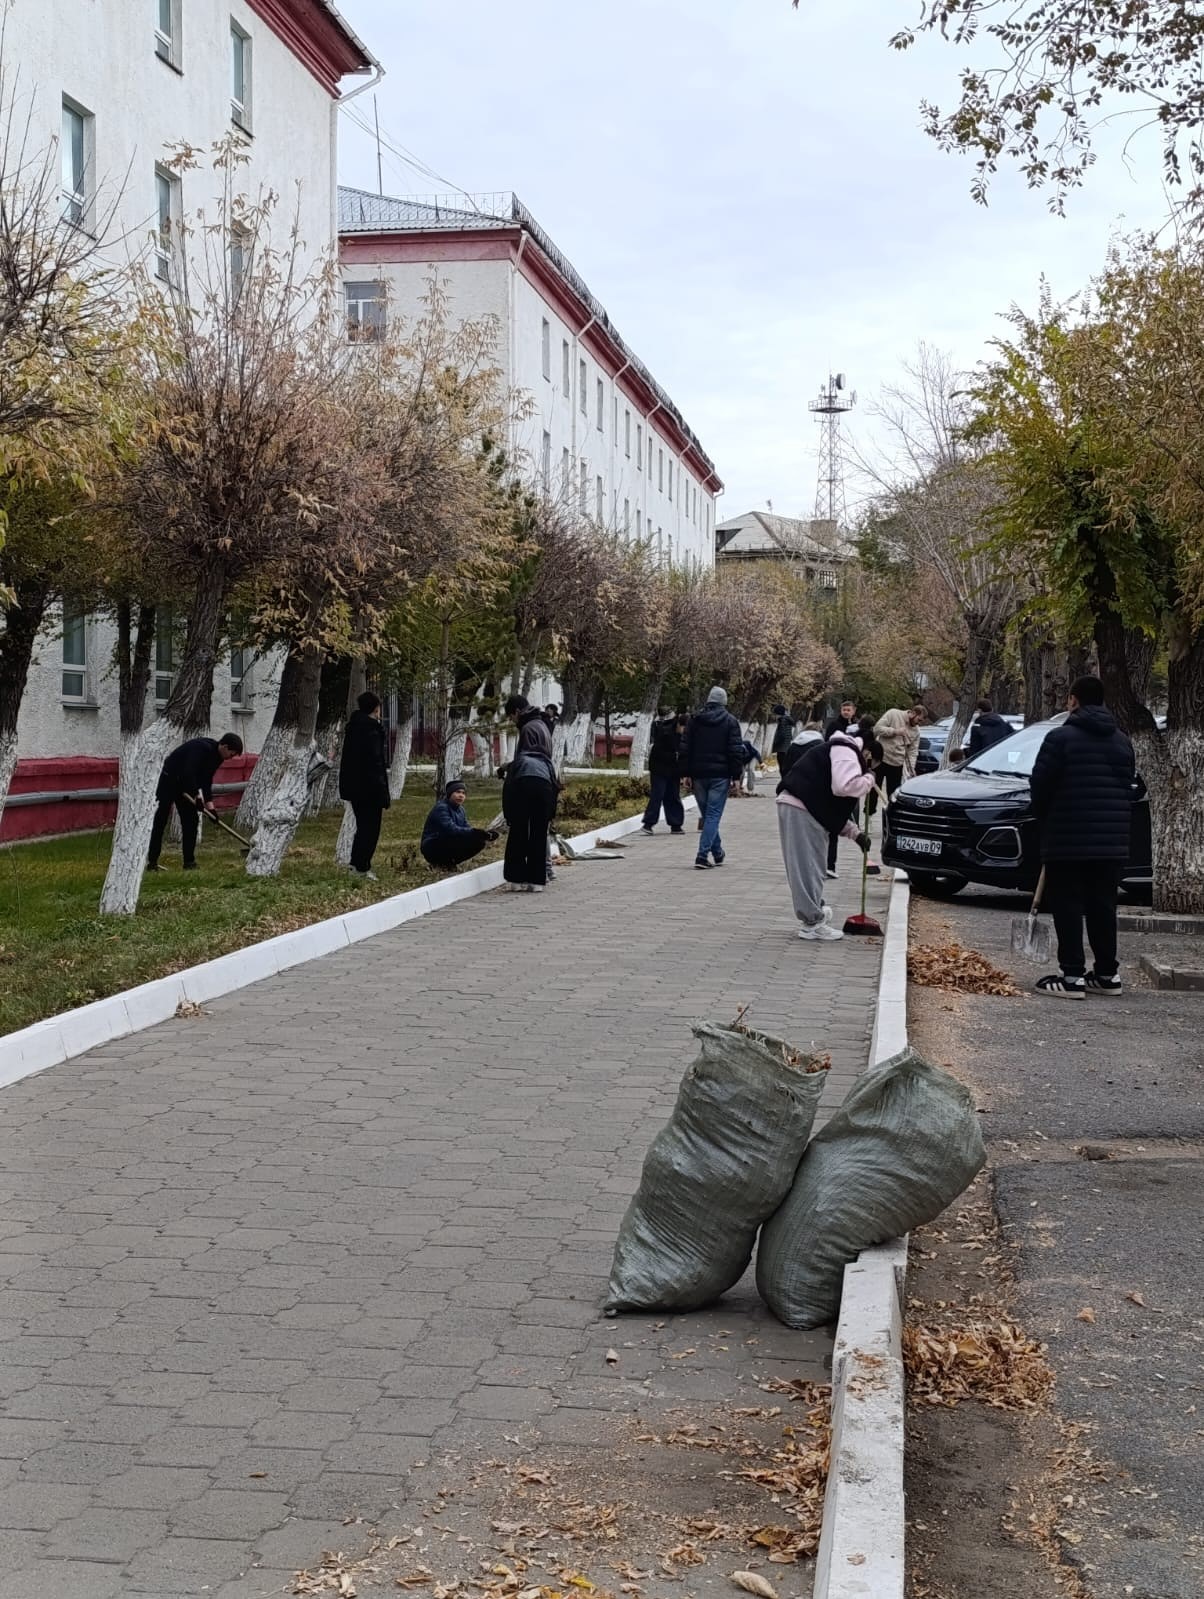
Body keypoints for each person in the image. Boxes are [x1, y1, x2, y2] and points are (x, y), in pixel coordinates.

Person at [1029, 676, 1139, 999]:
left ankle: (1072, 975)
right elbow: (1127, 788)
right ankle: (1106, 974)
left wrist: (1045, 819)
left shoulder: (1059, 738)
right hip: (1112, 842)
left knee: (1068, 904)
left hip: (1068, 837)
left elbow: (1040, 786)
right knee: (1103, 905)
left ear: (1073, 700)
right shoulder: (1123, 742)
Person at [776, 724, 880, 941]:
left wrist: (856, 834)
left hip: (801, 806)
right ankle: (812, 923)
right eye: (870, 763)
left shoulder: (841, 749)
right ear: (868, 753)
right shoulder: (846, 750)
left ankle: (815, 909)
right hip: (802, 808)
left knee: (813, 865)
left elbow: (828, 806)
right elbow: (843, 787)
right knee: (808, 867)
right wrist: (869, 780)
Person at [147, 732, 244, 872]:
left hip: (185, 786)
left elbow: (206, 780)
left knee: (191, 821)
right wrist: (197, 797)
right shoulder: (201, 748)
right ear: (224, 746)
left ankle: (189, 862)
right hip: (169, 780)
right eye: (231, 754)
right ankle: (152, 863)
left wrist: (211, 808)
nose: (231, 758)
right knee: (160, 820)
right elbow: (188, 772)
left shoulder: (218, 757)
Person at [501, 694, 558, 892]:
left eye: (511, 717)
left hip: (525, 780)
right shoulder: (542, 724)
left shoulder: (527, 728)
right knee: (539, 831)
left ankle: (515, 879)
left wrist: (506, 768)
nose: (512, 721)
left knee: (518, 829)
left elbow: (525, 759)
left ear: (517, 712)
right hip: (546, 780)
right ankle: (537, 881)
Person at [683, 686, 744, 869]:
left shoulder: (695, 720)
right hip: (720, 776)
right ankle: (702, 856)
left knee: (708, 815)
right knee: (713, 816)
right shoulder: (730, 721)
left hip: (698, 775)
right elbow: (735, 750)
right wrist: (736, 776)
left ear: (708, 700)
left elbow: (685, 748)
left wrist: (685, 773)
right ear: (724, 702)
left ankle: (717, 853)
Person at [338, 691, 390, 881]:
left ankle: (356, 864)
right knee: (370, 829)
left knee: (363, 827)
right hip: (370, 789)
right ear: (376, 708)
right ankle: (361, 867)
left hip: (355, 788)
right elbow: (375, 763)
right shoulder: (371, 730)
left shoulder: (354, 727)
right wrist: (382, 792)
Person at [421, 779, 498, 870]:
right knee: (459, 837)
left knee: (479, 842)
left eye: (463, 793)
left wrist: (485, 834)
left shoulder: (461, 810)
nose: (461, 795)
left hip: (448, 841)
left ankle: (449, 863)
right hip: (432, 845)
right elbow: (450, 829)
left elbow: (466, 828)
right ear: (450, 794)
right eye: (458, 792)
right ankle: (439, 863)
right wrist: (474, 832)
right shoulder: (441, 808)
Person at [641, 708, 686, 833]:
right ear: (678, 724)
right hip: (659, 767)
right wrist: (675, 757)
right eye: (683, 728)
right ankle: (649, 823)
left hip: (672, 768)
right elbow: (661, 751)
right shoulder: (665, 731)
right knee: (658, 795)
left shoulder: (678, 733)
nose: (684, 731)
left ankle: (675, 825)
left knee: (672, 795)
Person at [873, 704, 926, 795]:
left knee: (893, 795)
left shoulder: (916, 731)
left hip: (897, 764)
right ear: (913, 713)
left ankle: (889, 805)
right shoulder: (893, 713)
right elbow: (877, 729)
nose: (919, 723)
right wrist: (895, 731)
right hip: (880, 760)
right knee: (873, 792)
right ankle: (871, 805)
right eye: (919, 720)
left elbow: (913, 751)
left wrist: (911, 769)